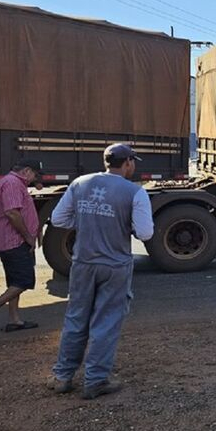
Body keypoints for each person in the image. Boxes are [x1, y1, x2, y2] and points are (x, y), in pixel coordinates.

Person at [48, 144, 153, 399]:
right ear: (127, 162)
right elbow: (145, 232)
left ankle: (62, 376)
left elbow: (58, 219)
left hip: (83, 263)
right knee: (105, 323)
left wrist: (87, 222)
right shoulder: (135, 193)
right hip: (115, 265)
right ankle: (95, 380)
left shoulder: (80, 183)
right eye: (133, 161)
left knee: (75, 318)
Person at [0, 159, 43, 333]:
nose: (34, 179)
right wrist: (28, 237)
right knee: (23, 281)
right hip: (14, 241)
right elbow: (12, 213)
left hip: (9, 240)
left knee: (15, 280)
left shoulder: (9, 182)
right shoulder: (13, 183)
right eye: (35, 175)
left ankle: (14, 320)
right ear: (27, 171)